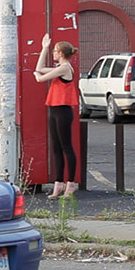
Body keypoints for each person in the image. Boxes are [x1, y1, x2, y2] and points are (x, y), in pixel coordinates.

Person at [33, 33, 80, 198]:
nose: (53, 53)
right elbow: (38, 69)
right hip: (54, 110)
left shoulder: (65, 68)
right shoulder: (59, 68)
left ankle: (71, 184)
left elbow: (39, 77)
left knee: (66, 147)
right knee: (56, 148)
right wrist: (44, 49)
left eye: (54, 51)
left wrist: (38, 75)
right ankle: (58, 183)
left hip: (63, 111)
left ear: (61, 53)